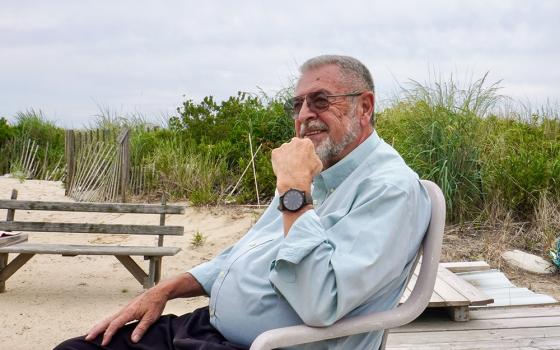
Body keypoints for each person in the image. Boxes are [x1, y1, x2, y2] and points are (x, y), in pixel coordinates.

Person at [55, 55, 431, 350]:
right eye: (297, 105)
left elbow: (320, 303)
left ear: (364, 107)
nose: (303, 116)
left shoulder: (390, 190)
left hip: (274, 345)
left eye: (320, 101)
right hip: (207, 331)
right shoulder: (318, 174)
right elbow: (240, 254)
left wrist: (294, 191)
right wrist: (166, 289)